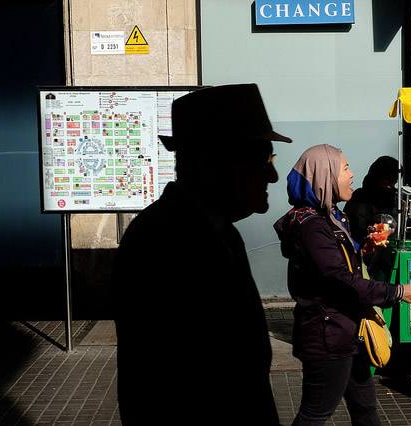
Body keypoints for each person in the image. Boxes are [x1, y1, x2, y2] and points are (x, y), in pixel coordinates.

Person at [112, 84, 292, 425]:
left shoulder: (222, 231)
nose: (272, 174)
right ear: (211, 163)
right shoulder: (159, 243)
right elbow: (160, 392)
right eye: (260, 158)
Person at [273, 144, 411, 425]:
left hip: (347, 332)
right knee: (315, 414)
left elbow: (335, 266)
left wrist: (363, 250)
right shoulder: (312, 226)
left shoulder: (331, 216)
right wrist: (397, 292)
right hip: (327, 335)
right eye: (345, 168)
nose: (352, 174)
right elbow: (341, 280)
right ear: (325, 175)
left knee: (365, 409)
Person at [343, 155, 399, 246]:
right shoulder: (360, 199)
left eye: (394, 181)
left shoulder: (395, 197)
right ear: (378, 177)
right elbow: (357, 230)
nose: (391, 185)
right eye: (388, 180)